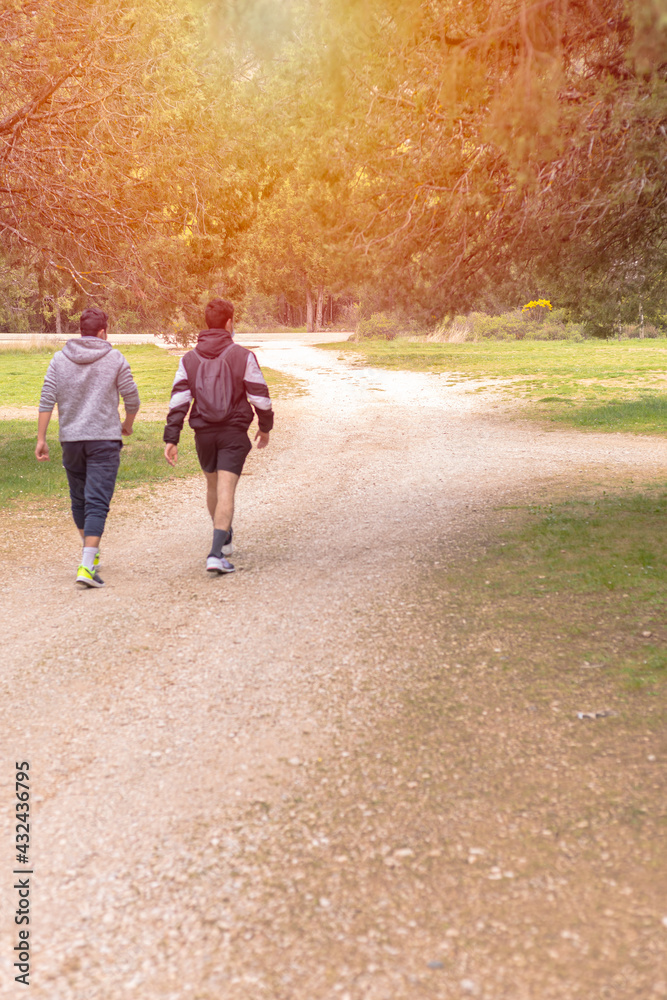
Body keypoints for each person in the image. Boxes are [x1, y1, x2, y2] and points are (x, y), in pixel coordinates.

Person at [163, 298, 273, 575]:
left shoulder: (188, 359)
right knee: (226, 489)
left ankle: (223, 540)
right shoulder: (243, 356)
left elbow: (178, 401)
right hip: (233, 431)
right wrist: (265, 426)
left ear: (207, 324)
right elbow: (260, 397)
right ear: (229, 323)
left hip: (204, 433)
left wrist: (171, 438)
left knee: (213, 487)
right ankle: (215, 553)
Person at [35, 307, 140, 588]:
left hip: (71, 440)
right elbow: (132, 397)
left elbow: (47, 399)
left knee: (80, 499)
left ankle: (89, 554)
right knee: (97, 502)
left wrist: (41, 438)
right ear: (103, 332)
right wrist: (127, 423)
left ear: (81, 331)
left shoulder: (59, 359)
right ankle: (86, 565)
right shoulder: (115, 357)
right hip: (104, 440)